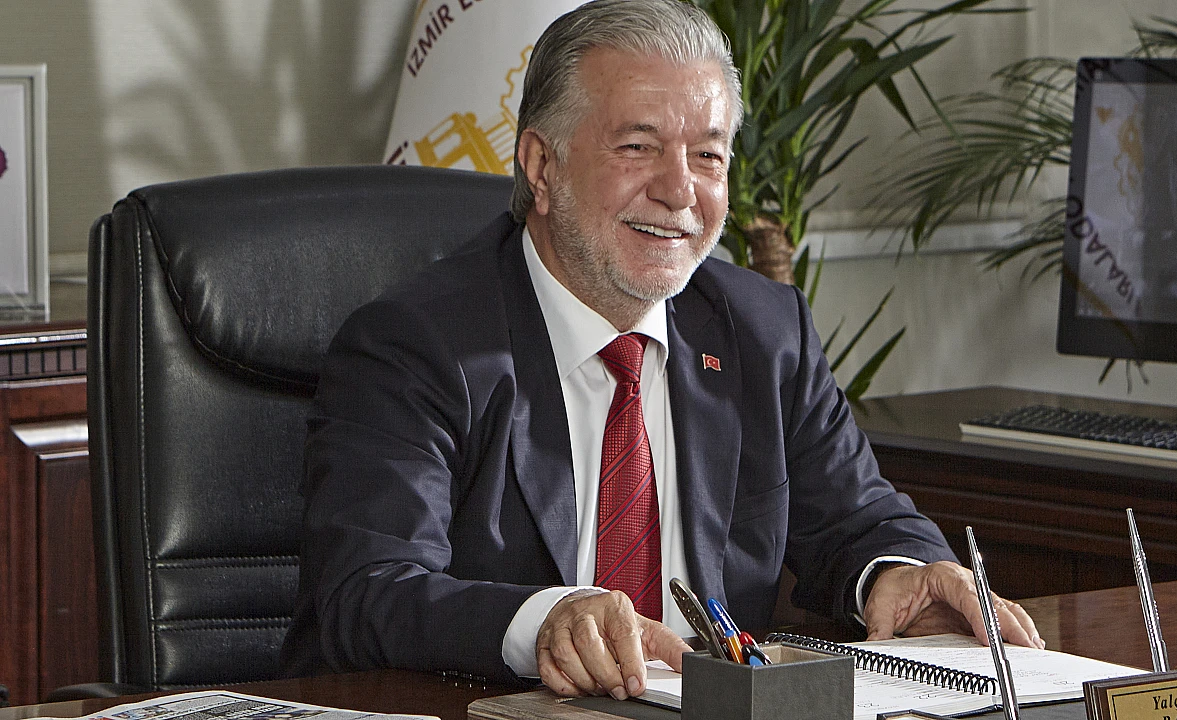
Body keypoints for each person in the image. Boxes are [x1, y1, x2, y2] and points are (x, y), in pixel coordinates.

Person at [280, 0, 1041, 701]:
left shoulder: (762, 331)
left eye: (708, 156)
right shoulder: (420, 344)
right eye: (638, 147)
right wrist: (545, 621)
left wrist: (900, 573)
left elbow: (860, 520)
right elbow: (366, 592)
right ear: (541, 166)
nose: (680, 191)